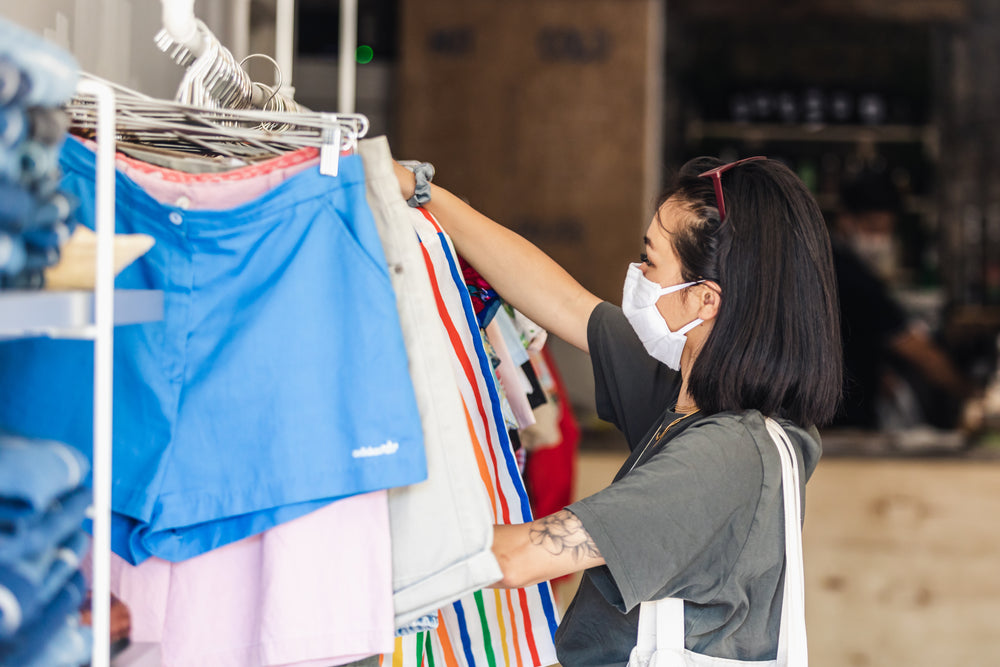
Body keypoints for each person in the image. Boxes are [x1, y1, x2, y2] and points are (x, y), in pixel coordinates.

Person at [394, 155, 842, 665]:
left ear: (703, 300)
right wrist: (422, 192)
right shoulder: (698, 401)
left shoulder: (723, 458)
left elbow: (515, 558)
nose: (637, 274)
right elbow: (565, 303)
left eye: (650, 260)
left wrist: (352, 522)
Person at [831, 169, 972, 430]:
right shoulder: (853, 277)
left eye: (887, 230)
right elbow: (919, 352)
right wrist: (971, 394)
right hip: (842, 421)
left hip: (836, 410)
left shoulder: (832, 261)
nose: (879, 239)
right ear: (845, 219)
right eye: (872, 227)